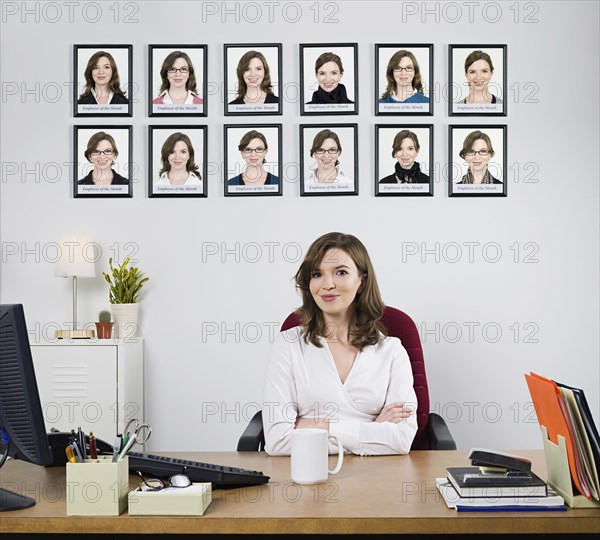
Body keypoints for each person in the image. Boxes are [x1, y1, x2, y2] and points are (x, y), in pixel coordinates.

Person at [263, 232, 418, 456]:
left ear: (362, 281)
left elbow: (401, 441)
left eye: (341, 272)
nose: (327, 284)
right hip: (309, 476)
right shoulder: (287, 345)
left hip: (378, 477)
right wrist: (373, 430)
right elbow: (278, 442)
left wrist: (310, 426)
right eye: (317, 274)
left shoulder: (392, 351)